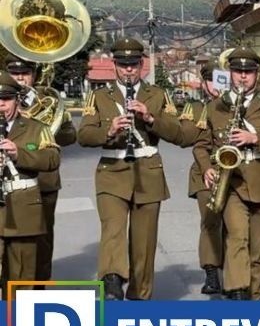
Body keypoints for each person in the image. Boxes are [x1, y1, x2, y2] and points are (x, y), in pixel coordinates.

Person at [77, 37, 182, 300]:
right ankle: (112, 280)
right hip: (112, 172)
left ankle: (139, 297)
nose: (128, 70)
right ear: (115, 65)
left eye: (133, 64)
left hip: (148, 173)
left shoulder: (157, 94)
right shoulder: (99, 96)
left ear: (141, 65)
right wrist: (109, 130)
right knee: (112, 229)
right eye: (123, 65)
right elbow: (84, 136)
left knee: (143, 244)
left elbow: (179, 134)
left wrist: (149, 118)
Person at [193, 46, 260, 300]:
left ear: (257, 74)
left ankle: (254, 297)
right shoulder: (216, 106)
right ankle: (236, 291)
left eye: (248, 71)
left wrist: (254, 137)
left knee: (259, 249)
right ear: (230, 73)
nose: (243, 77)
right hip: (232, 183)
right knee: (236, 237)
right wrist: (206, 169)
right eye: (238, 71)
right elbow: (202, 145)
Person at [6, 56, 77, 287]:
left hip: (43, 181)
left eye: (25, 73)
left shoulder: (49, 101)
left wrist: (44, 131)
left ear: (34, 75)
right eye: (14, 73)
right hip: (7, 182)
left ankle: (38, 286)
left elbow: (70, 136)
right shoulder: (4, 97)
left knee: (42, 241)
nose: (19, 77)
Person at [0, 72, 61, 299]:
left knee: (22, 277)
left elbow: (52, 159)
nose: (0, 105)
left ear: (17, 99)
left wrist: (19, 154)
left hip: (23, 207)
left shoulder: (36, 127)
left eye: (5, 99)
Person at [177, 59, 225, 295]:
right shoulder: (195, 108)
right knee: (211, 222)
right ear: (205, 84)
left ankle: (236, 271)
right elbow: (185, 139)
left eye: (221, 79)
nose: (217, 86)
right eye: (212, 81)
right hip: (205, 172)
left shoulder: (238, 104)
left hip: (237, 171)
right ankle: (212, 272)